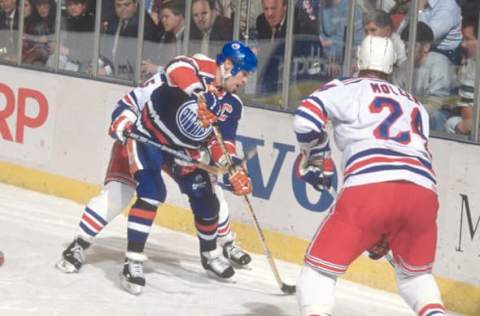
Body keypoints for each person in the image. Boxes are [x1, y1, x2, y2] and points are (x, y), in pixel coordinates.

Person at [58, 40, 257, 295]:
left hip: (183, 151)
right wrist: (124, 119)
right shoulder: (195, 69)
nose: (245, 81)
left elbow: (221, 141)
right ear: (228, 66)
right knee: (124, 195)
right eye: (243, 74)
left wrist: (231, 168)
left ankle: (212, 252)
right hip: (146, 135)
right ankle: (82, 245)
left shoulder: (232, 104)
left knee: (209, 199)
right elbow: (171, 71)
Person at [294, 35, 445, 316]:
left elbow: (305, 119)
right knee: (415, 278)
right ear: (393, 66)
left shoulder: (344, 87)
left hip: (369, 189)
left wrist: (316, 156)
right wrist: (389, 227)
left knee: (318, 274)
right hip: (423, 193)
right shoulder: (415, 104)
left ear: (357, 60)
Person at [393, 22, 454, 132]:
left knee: (435, 116)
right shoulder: (403, 66)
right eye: (406, 46)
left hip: (438, 113)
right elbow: (396, 96)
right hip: (410, 112)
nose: (407, 51)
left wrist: (412, 111)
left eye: (413, 46)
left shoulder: (439, 63)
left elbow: (437, 101)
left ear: (426, 47)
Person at [445, 15, 478, 136]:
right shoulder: (469, 67)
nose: (463, 45)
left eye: (468, 39)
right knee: (452, 123)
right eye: (463, 39)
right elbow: (467, 113)